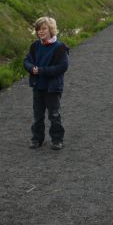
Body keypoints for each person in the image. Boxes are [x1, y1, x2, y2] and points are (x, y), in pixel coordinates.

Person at [24, 16, 69, 150]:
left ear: (51, 30)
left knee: (54, 115)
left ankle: (57, 140)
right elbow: (26, 61)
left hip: (53, 88)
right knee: (38, 115)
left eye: (44, 29)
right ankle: (37, 139)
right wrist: (31, 68)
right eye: (38, 29)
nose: (41, 32)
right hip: (38, 86)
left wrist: (41, 70)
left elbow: (62, 67)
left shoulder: (59, 47)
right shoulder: (35, 46)